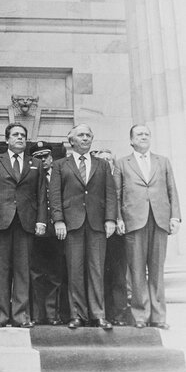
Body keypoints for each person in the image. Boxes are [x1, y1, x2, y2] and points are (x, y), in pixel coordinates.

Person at [50, 124, 116, 330]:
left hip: (97, 224)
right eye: (81, 135)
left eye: (88, 135)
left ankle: (98, 315)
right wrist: (58, 220)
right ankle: (77, 315)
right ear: (71, 141)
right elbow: (55, 195)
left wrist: (110, 219)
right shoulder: (61, 165)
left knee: (97, 269)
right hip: (72, 224)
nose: (85, 138)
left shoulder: (102, 165)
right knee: (75, 270)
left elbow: (110, 194)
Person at [0, 123, 47, 328]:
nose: (20, 138)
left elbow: (42, 195)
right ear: (7, 139)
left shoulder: (35, 162)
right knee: (0, 270)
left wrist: (41, 220)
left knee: (22, 270)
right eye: (15, 135)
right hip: (1, 219)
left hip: (26, 221)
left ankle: (20, 316)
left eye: (23, 135)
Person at [115, 125, 181, 329]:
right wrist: (118, 218)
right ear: (131, 140)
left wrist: (175, 217)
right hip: (134, 221)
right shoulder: (122, 163)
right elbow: (117, 194)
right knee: (136, 271)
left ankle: (159, 317)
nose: (143, 137)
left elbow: (172, 190)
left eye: (146, 134)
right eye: (139, 134)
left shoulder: (163, 161)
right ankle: (140, 316)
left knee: (157, 270)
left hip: (159, 220)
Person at [29, 141, 67, 325]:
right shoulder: (32, 176)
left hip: (55, 231)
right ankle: (37, 314)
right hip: (36, 231)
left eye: (46, 156)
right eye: (38, 158)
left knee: (54, 274)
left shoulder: (58, 176)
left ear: (52, 158)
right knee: (35, 274)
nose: (43, 160)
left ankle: (52, 314)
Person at [95, 149, 128, 326]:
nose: (106, 162)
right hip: (97, 230)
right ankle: (103, 312)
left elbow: (120, 200)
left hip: (117, 232)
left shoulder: (119, 177)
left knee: (118, 274)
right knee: (100, 274)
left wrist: (119, 219)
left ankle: (120, 313)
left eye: (109, 159)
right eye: (102, 159)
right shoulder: (94, 177)